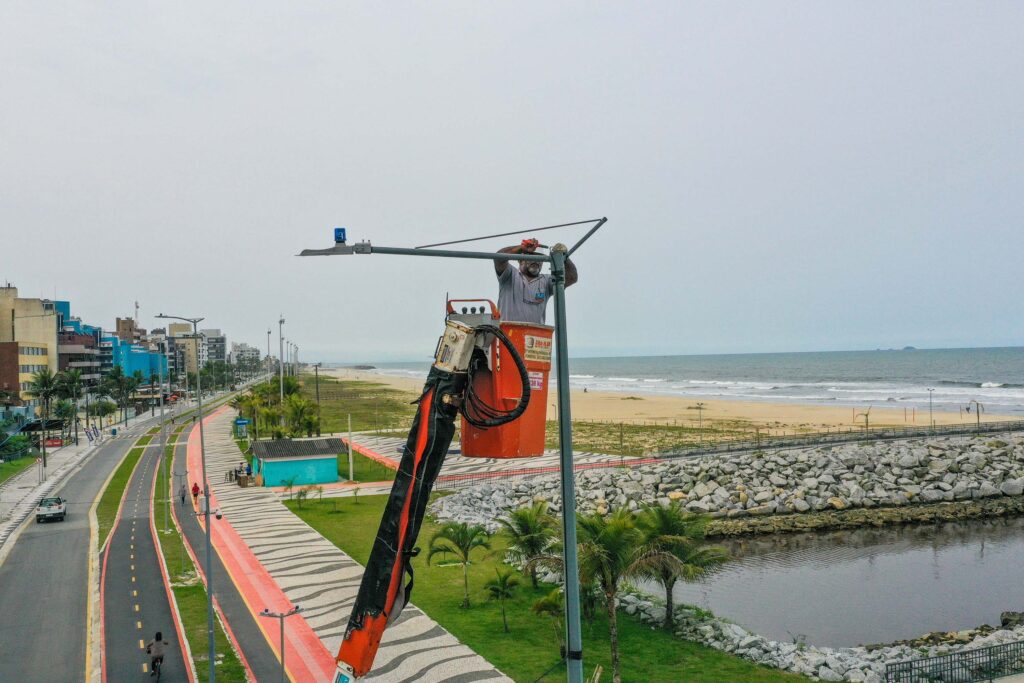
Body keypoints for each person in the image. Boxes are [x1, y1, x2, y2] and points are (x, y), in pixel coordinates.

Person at [494, 239, 577, 324]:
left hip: (535, 336)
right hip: (507, 334)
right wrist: (521, 248)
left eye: (539, 258)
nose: (536, 261)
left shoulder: (546, 281)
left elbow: (571, 278)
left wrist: (564, 257)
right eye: (531, 256)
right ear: (520, 260)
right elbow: (498, 258)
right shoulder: (510, 275)